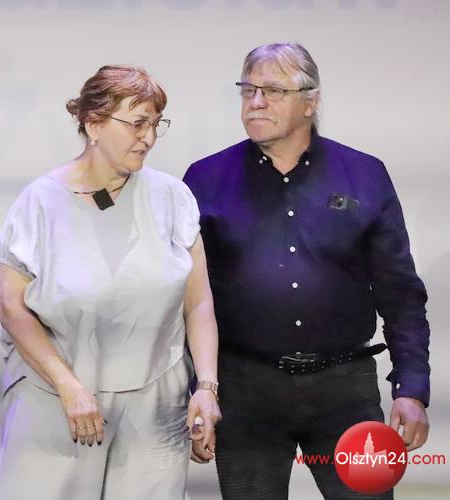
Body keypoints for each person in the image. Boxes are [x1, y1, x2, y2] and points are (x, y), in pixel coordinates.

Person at [183, 42, 430, 499]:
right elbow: (189, 299)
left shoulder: (364, 175)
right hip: (245, 391)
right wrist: (200, 391)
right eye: (248, 90)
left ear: (311, 102)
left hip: (345, 389)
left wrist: (410, 388)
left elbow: (400, 293)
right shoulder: (205, 179)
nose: (256, 102)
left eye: (273, 91)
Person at [0, 64, 221, 500]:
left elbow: (199, 302)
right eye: (137, 123)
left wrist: (206, 386)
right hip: (58, 397)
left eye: (155, 124)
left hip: (155, 403)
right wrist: (67, 385)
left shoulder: (171, 198)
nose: (148, 137)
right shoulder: (40, 203)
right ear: (93, 124)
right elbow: (10, 305)